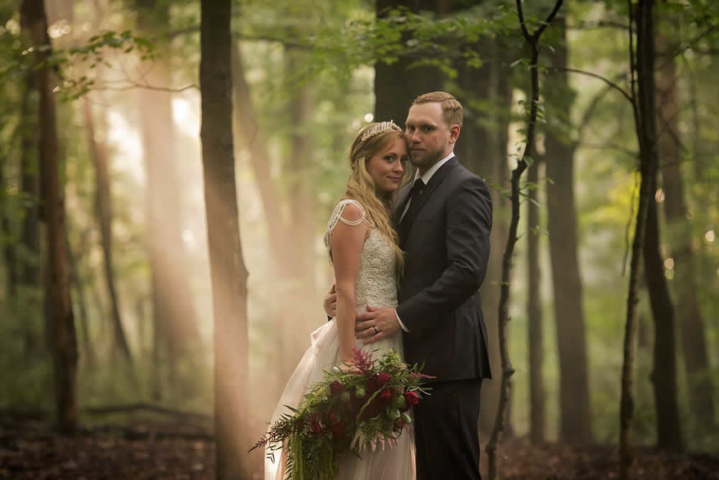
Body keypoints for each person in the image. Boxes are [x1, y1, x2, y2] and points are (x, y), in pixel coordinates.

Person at [324, 91, 493, 480]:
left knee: (452, 469)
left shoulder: (464, 187)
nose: (414, 136)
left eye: (426, 129)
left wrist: (400, 317)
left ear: (453, 133)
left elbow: (467, 270)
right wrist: (342, 297)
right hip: (403, 357)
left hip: (448, 358)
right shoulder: (403, 195)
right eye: (411, 127)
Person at [265, 121, 415, 480]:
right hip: (359, 343)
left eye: (402, 160)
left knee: (383, 453)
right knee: (351, 455)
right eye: (388, 158)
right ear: (364, 161)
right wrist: (349, 362)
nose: (398, 167)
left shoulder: (383, 212)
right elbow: (345, 288)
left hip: (389, 341)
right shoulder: (351, 211)